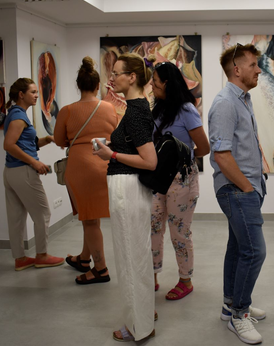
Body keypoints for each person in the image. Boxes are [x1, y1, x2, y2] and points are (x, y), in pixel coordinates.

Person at [93, 53, 157, 342]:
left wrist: (112, 154)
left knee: (130, 258)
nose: (112, 78)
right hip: (128, 188)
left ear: (132, 77)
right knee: (135, 255)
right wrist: (112, 147)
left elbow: (150, 161)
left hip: (128, 190)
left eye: (117, 73)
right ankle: (143, 316)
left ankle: (138, 326)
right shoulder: (136, 109)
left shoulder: (136, 112)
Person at [208, 44, 268, 345]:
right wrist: (246, 187)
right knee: (254, 251)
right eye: (253, 64)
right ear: (237, 69)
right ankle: (239, 314)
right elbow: (221, 155)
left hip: (246, 188)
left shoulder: (242, 99)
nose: (258, 70)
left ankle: (229, 305)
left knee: (238, 247)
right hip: (236, 189)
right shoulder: (225, 103)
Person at [53, 57, 118, 285]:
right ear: (98, 86)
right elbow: (115, 134)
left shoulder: (67, 111)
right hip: (105, 165)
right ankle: (83, 258)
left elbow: (59, 140)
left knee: (89, 219)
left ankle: (100, 269)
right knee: (91, 217)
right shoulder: (109, 107)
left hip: (81, 167)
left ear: (78, 86)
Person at [150, 62, 210, 301]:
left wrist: (179, 157)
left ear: (166, 83)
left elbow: (203, 147)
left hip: (181, 179)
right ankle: (152, 275)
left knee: (179, 231)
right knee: (153, 226)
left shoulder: (186, 109)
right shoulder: (158, 109)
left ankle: (185, 280)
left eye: (155, 81)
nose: (152, 85)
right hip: (157, 178)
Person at [2, 77, 64, 271]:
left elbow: (27, 144)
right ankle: (42, 255)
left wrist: (48, 139)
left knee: (16, 217)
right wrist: (34, 162)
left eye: (37, 92)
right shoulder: (19, 117)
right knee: (43, 213)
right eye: (33, 92)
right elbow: (9, 145)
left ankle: (20, 258)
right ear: (21, 95)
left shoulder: (16, 113)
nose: (37, 95)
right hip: (23, 172)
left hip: (11, 172)